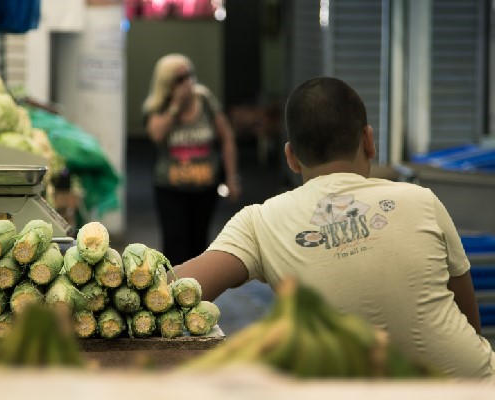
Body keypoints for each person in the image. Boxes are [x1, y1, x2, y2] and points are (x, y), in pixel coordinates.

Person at [174, 76, 495, 378]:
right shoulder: (422, 200)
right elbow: (470, 324)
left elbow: (177, 288)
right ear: (368, 141)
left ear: (291, 157)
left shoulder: (259, 222)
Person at [142, 53, 241, 266]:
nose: (187, 82)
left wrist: (232, 178)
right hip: (170, 188)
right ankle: (173, 292)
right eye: (179, 79)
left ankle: (195, 293)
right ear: (166, 83)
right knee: (175, 244)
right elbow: (157, 134)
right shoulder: (159, 105)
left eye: (189, 76)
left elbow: (227, 138)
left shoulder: (204, 99)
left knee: (199, 244)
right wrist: (176, 106)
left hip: (205, 187)